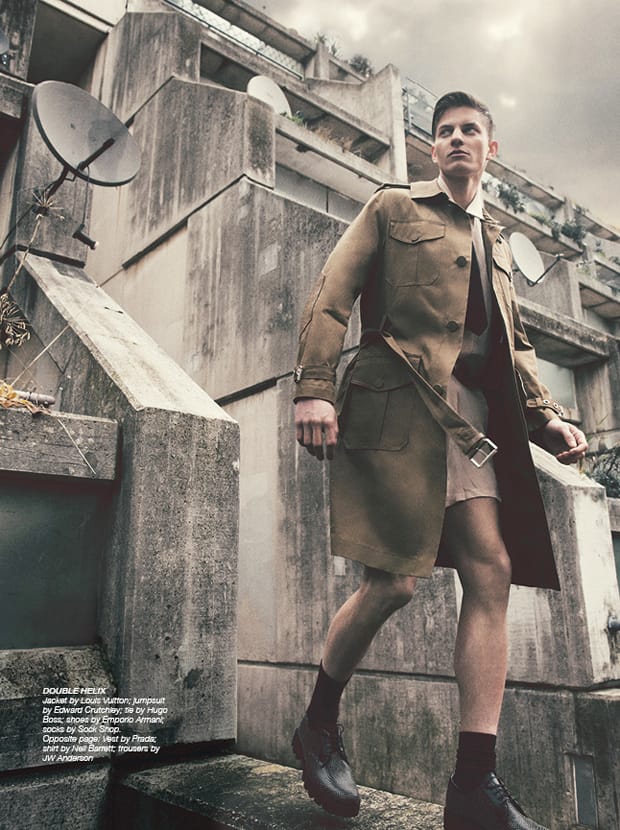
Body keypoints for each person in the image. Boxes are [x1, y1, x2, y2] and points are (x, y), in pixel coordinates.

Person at [291, 91, 587, 830]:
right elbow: (332, 292)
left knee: (491, 570)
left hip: (472, 421)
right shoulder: (393, 208)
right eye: (445, 131)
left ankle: (474, 784)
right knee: (394, 582)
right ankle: (318, 725)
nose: (457, 139)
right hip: (396, 408)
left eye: (470, 130)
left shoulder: (495, 241)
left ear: (491, 149)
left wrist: (545, 415)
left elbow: (515, 344)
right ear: (432, 149)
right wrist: (314, 388)